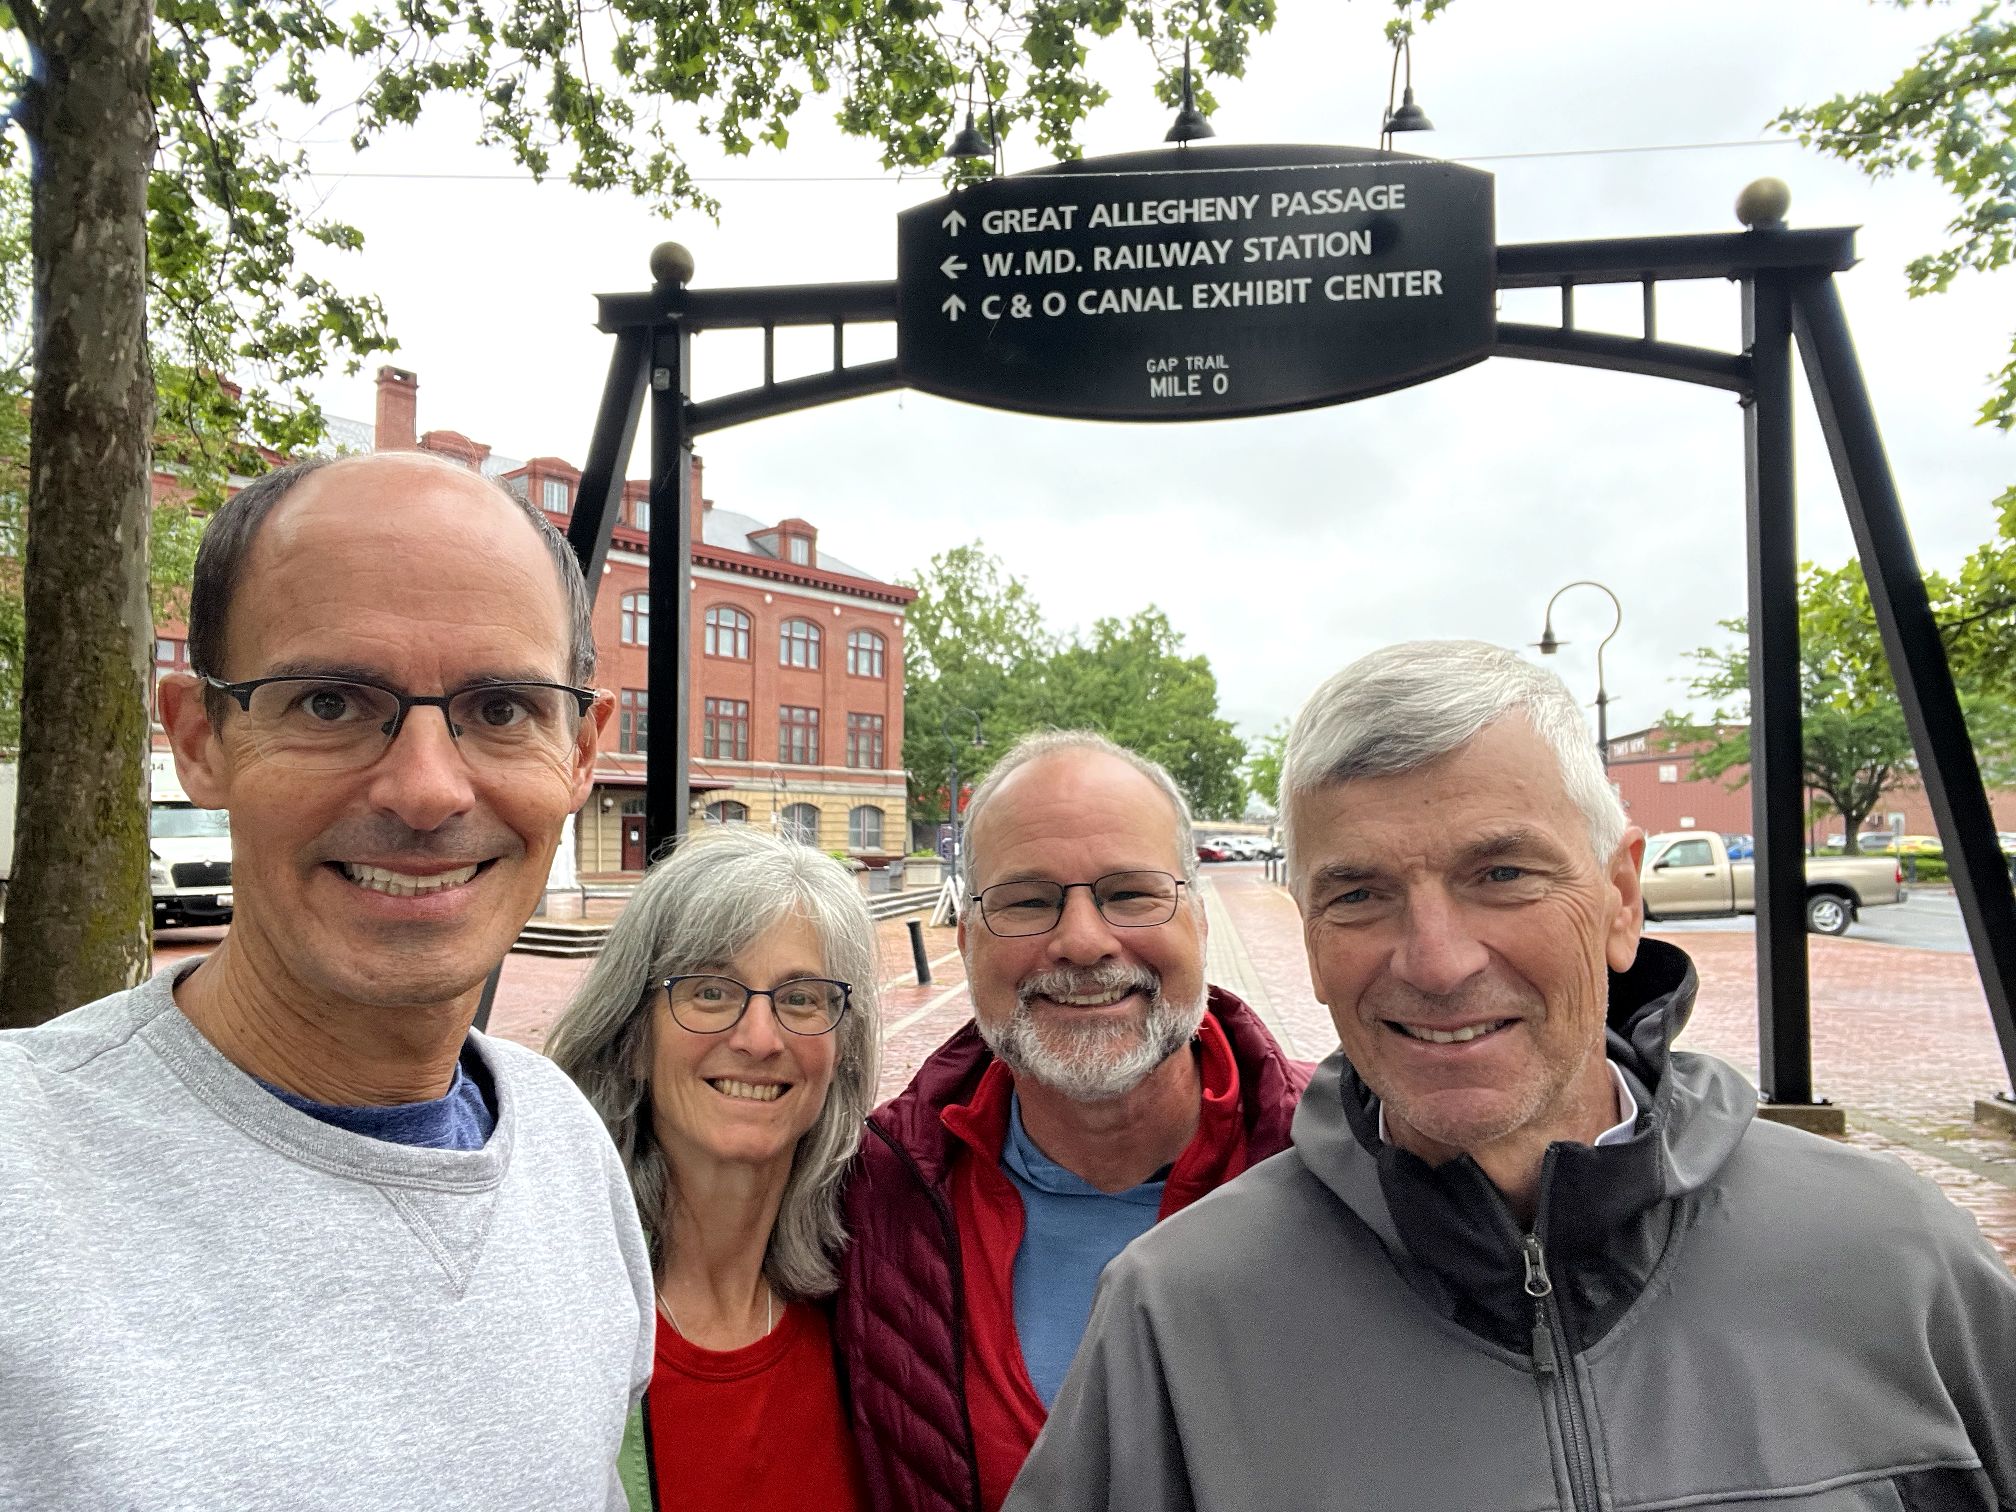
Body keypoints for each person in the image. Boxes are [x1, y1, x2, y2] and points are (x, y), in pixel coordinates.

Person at [1008, 641, 2016, 1512]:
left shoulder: (1898, 1262)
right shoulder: (1178, 1319)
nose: (1437, 962)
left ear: (1621, 898)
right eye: (1359, 894)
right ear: (1310, 940)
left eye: (1502, 875)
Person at [0, 453, 655, 1510]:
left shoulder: (567, 1151)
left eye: (501, 709)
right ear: (199, 740)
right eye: (330, 701)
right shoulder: (22, 1173)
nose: (428, 791)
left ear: (580, 753)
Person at [835, 730, 1312, 1512]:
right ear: (967, 942)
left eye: (1130, 894)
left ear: (1198, 921)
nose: (1084, 942)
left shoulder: (1354, 1165)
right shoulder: (867, 1196)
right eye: (1028, 901)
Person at [547, 825, 881, 1512]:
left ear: (841, 1050)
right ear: (632, 1038)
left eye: (801, 998)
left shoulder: (876, 1314)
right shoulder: (555, 1321)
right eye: (709, 992)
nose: (759, 1039)